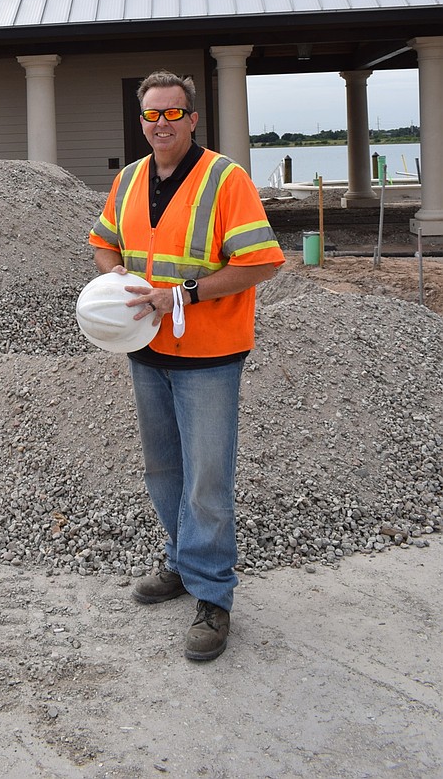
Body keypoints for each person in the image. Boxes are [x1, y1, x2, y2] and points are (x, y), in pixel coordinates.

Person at [88, 70, 284, 661]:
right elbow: (104, 241)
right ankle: (180, 562)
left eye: (173, 114)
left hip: (209, 354)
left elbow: (262, 263)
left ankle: (213, 595)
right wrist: (113, 276)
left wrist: (185, 293)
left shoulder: (226, 178)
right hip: (147, 350)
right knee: (163, 467)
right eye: (152, 115)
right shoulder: (128, 180)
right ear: (141, 119)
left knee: (206, 478)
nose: (161, 124)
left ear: (193, 119)